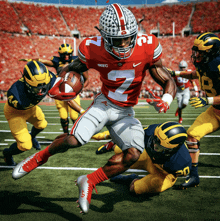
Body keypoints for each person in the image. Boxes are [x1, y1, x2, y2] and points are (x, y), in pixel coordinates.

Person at [12, 3, 176, 214]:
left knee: (133, 155)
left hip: (126, 112)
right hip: (104, 104)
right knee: (73, 140)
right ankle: (38, 158)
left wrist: (166, 98)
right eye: (118, 39)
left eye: (129, 37)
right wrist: (60, 82)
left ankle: (88, 181)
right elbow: (73, 67)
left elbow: (165, 75)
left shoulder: (147, 45)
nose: (125, 43)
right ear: (105, 37)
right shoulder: (92, 47)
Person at [169, 32, 220, 189]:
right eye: (196, 51)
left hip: (214, 105)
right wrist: (175, 73)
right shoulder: (205, 64)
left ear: (211, 52)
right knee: (192, 135)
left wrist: (207, 100)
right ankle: (194, 176)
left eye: (200, 52)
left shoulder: (217, 66)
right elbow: (193, 74)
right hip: (216, 111)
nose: (196, 55)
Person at [3, 60, 72, 166]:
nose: (41, 91)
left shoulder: (49, 78)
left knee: (42, 124)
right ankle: (7, 153)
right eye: (37, 89)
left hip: (31, 108)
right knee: (25, 145)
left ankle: (32, 136)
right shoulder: (16, 93)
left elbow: (58, 87)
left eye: (44, 86)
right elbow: (21, 103)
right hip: (15, 113)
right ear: (27, 83)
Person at [93, 122, 191, 194]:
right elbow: (130, 132)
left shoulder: (181, 162)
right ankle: (113, 144)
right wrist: (108, 135)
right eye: (154, 140)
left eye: (159, 146)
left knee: (136, 189)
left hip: (163, 173)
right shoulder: (152, 131)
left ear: (171, 151)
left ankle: (129, 179)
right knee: (121, 151)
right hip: (149, 158)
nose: (153, 146)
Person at [20, 43, 89, 134]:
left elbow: (86, 78)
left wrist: (81, 88)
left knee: (74, 116)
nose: (66, 57)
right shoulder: (57, 61)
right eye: (64, 54)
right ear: (60, 54)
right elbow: (43, 61)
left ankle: (78, 132)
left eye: (68, 54)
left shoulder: (76, 61)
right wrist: (31, 61)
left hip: (72, 91)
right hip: (59, 89)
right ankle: (65, 134)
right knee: (63, 116)